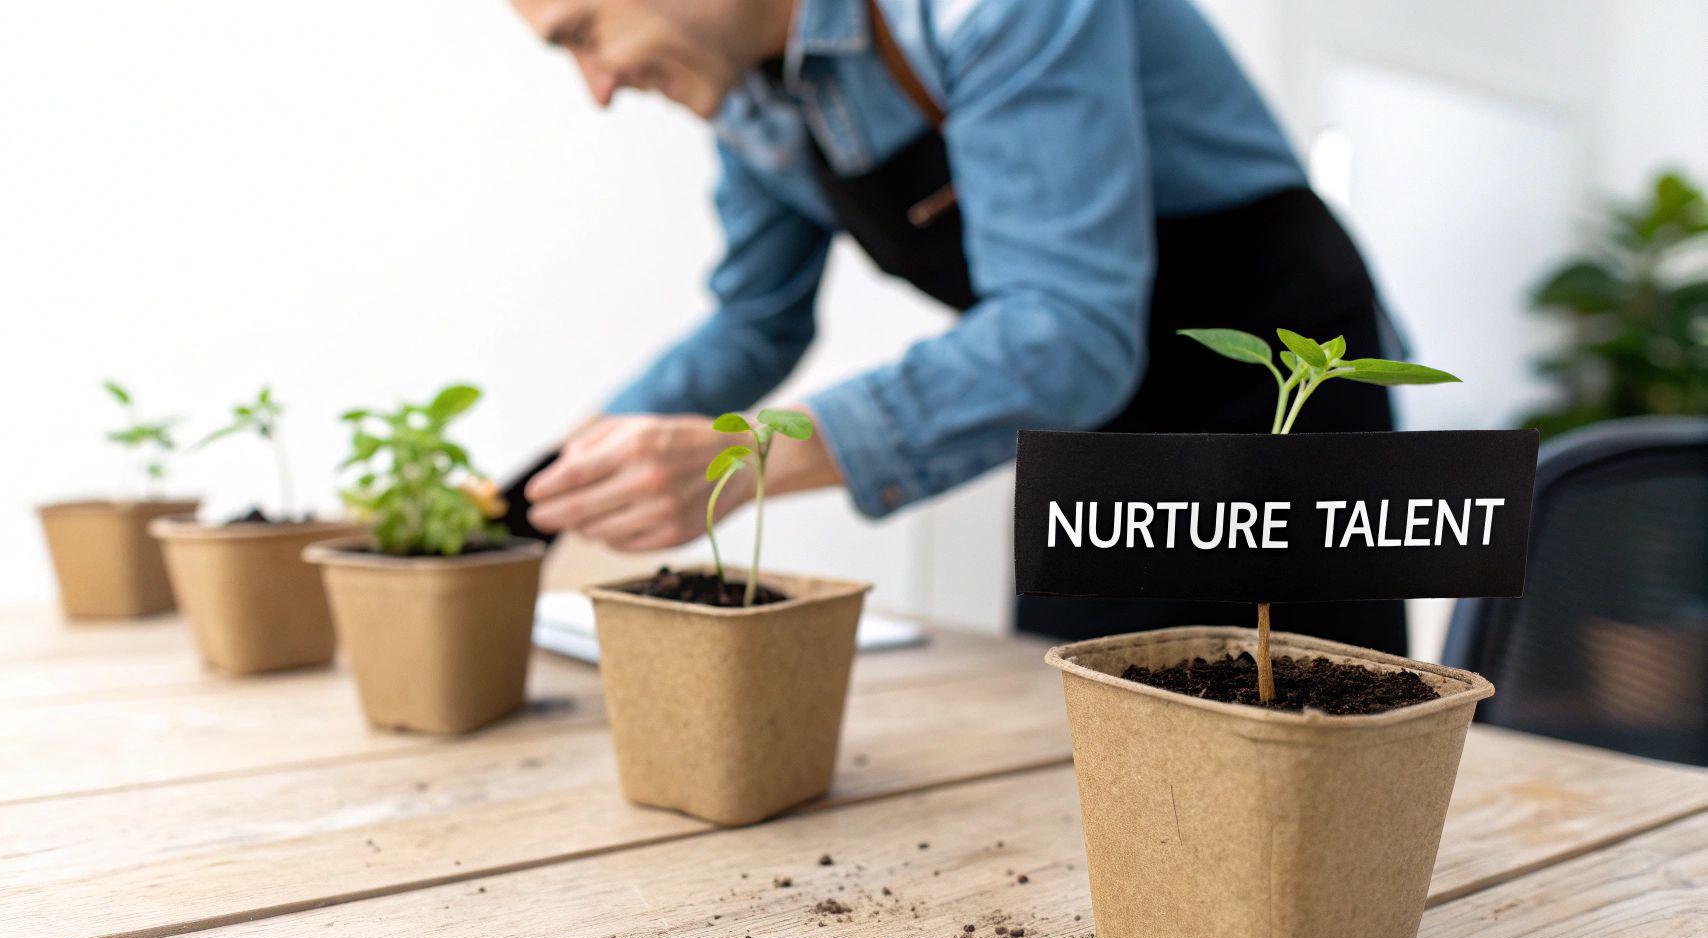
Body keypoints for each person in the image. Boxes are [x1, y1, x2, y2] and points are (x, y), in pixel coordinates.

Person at [505, 0, 1409, 654]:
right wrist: (536, 490)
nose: (598, 87)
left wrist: (752, 456)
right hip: (1094, 414)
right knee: (1091, 729)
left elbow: (1069, 332)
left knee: (1320, 723)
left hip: (1271, 373)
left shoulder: (983, 10)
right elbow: (754, 321)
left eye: (583, 33)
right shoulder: (750, 99)